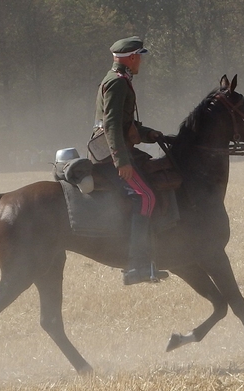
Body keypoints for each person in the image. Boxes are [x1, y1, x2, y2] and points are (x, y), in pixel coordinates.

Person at [89, 36, 169, 285]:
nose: (141, 63)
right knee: (145, 197)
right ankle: (136, 266)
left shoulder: (118, 79)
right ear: (132, 57)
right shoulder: (118, 83)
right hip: (111, 155)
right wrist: (121, 161)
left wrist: (149, 134)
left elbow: (124, 124)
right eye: (140, 58)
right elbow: (111, 125)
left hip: (119, 148)